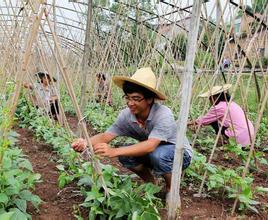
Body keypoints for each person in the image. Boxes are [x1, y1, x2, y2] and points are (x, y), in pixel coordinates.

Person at [72, 67, 192, 199]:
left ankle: (171, 189)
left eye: (136, 98)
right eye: (127, 98)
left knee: (158, 154)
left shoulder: (163, 114)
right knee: (126, 156)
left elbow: (151, 145)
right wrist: (86, 142)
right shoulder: (126, 116)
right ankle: (151, 183)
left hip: (179, 154)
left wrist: (114, 151)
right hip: (153, 152)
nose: (130, 103)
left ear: (149, 99)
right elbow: (106, 136)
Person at [188, 84, 254, 147]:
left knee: (213, 121)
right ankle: (226, 139)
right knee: (214, 120)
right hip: (249, 135)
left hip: (239, 137)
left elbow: (205, 120)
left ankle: (223, 139)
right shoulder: (232, 104)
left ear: (215, 97)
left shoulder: (219, 107)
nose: (210, 101)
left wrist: (188, 123)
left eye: (210, 98)